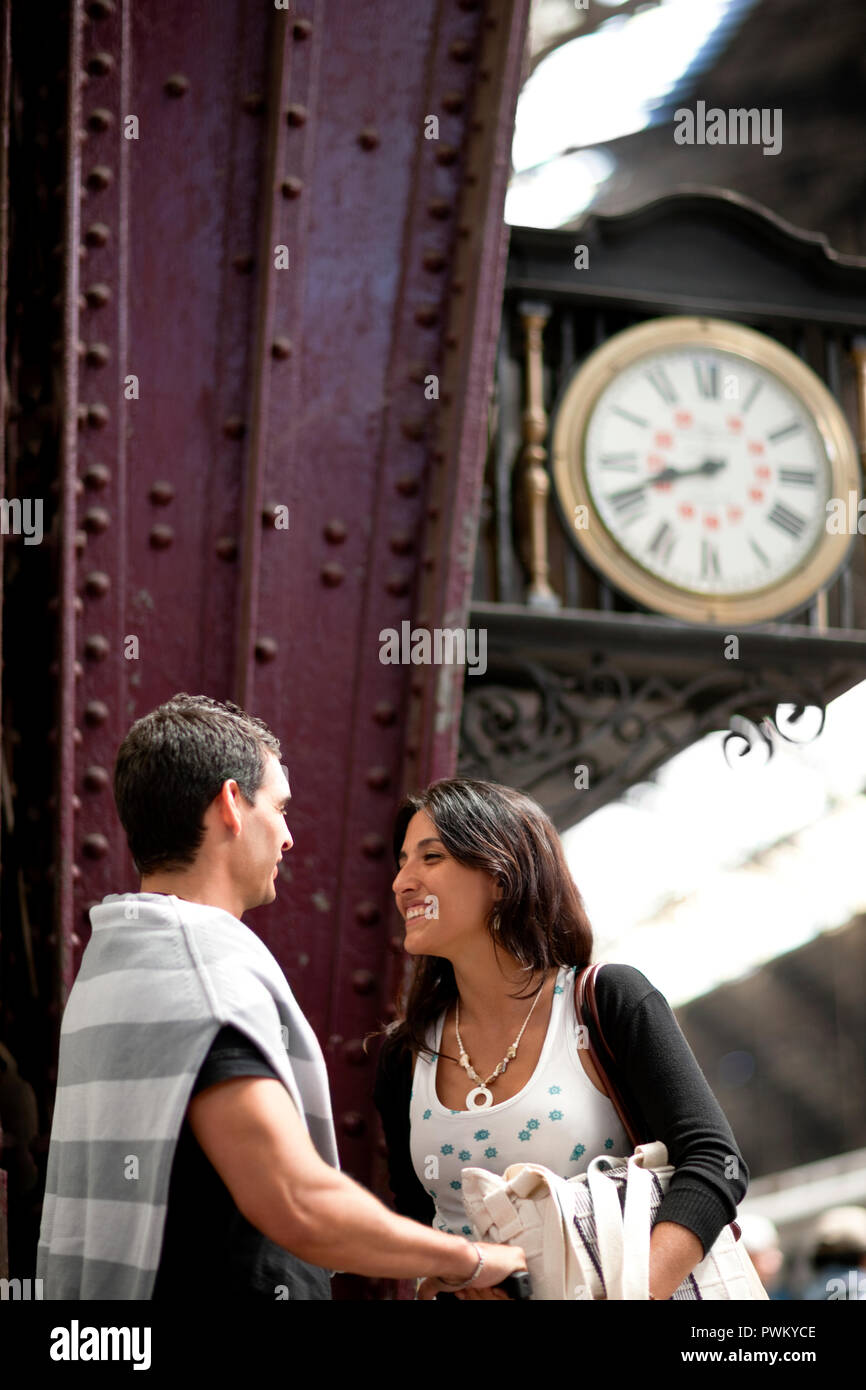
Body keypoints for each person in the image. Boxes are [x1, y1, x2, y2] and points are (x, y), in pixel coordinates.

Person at [36, 694, 525, 1300]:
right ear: (231, 805)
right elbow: (296, 1200)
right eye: (280, 806)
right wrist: (470, 1257)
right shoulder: (200, 978)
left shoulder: (116, 959)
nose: (290, 837)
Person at [374, 777, 751, 1301]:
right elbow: (416, 1214)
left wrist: (632, 1293)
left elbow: (714, 1163)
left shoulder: (607, 1000)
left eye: (429, 857)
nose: (402, 882)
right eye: (400, 862)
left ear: (501, 877)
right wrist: (442, 1276)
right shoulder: (404, 1055)